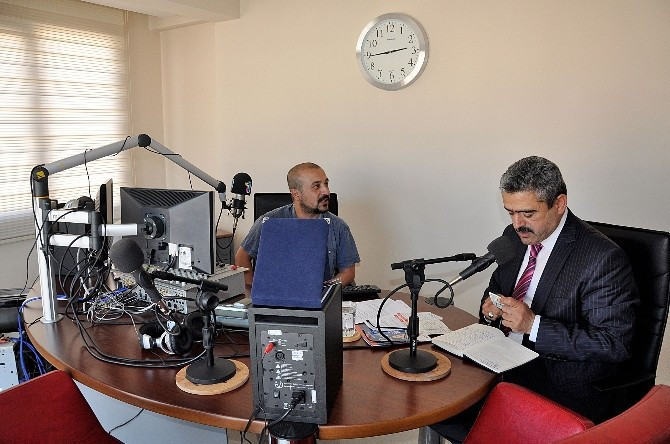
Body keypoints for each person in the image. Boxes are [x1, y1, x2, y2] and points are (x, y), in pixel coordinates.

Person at [431, 156, 638, 442]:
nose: (518, 224)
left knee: (452, 412)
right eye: (510, 212)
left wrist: (533, 326)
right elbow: (496, 288)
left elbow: (613, 344)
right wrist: (491, 310)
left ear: (559, 203)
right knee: (432, 395)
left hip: (556, 387)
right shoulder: (513, 237)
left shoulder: (601, 258)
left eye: (528, 213)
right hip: (499, 365)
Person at [235, 162, 360, 287]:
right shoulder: (268, 222)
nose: (326, 191)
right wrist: (254, 288)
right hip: (276, 294)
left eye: (326, 184)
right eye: (316, 186)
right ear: (296, 194)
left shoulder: (338, 227)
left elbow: (348, 272)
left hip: (320, 293)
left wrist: (325, 288)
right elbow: (242, 257)